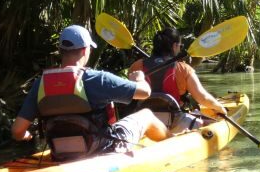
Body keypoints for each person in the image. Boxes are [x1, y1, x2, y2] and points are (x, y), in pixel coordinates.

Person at [12, 25, 170, 157]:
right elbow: (144, 93)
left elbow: (17, 131)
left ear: (61, 51)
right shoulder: (98, 79)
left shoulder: (41, 84)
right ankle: (172, 143)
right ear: (85, 50)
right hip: (101, 146)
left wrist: (26, 135)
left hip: (59, 151)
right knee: (147, 114)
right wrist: (139, 78)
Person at [128, 26, 227, 134]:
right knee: (209, 123)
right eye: (180, 45)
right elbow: (202, 98)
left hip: (143, 121)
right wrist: (220, 108)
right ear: (175, 46)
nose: (180, 48)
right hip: (174, 121)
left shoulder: (136, 66)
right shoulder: (183, 69)